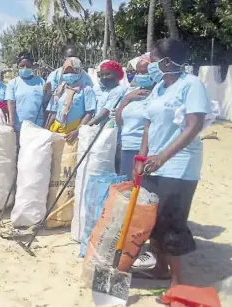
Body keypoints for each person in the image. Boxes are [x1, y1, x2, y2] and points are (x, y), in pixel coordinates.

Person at [133, 38, 211, 292]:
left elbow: (194, 125)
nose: (149, 64)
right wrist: (141, 157)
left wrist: (163, 157)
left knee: (172, 221)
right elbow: (148, 123)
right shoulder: (158, 88)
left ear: (167, 61)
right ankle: (159, 269)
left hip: (179, 165)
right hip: (153, 165)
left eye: (153, 60)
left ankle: (176, 282)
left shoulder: (192, 85)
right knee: (153, 220)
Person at [115, 53, 155, 179]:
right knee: (124, 190)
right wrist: (126, 100)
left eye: (144, 72)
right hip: (126, 147)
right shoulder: (132, 93)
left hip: (143, 150)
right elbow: (119, 121)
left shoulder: (158, 95)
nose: (140, 76)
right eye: (138, 72)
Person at [44, 57, 95, 142]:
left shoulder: (86, 90)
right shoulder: (59, 89)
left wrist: (78, 131)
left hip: (74, 132)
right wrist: (46, 129)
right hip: (56, 130)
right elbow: (53, 112)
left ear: (79, 71)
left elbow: (89, 113)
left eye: (72, 71)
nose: (69, 74)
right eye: (66, 72)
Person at [5, 52, 49, 132]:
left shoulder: (40, 81)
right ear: (18, 66)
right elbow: (11, 103)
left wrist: (45, 123)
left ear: (32, 67)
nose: (25, 68)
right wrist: (12, 122)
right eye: (22, 66)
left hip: (37, 124)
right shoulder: (13, 83)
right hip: (18, 124)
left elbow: (45, 103)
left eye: (28, 66)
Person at [87, 60, 127, 126]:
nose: (104, 77)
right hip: (96, 127)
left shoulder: (118, 90)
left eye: (108, 74)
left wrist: (85, 127)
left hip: (107, 128)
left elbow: (104, 113)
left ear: (117, 74)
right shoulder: (101, 90)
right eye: (102, 75)